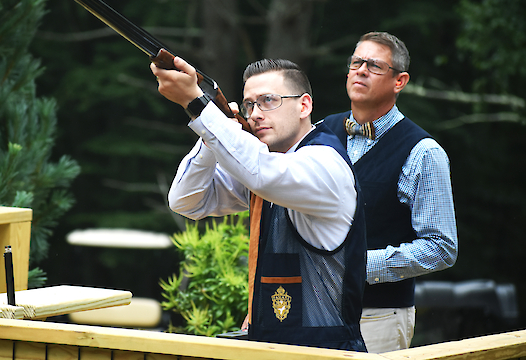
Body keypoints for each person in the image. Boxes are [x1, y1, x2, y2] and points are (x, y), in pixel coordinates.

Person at [151, 57, 367, 351]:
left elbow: (261, 172)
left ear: (304, 106)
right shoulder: (271, 167)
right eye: (249, 104)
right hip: (271, 349)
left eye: (268, 101)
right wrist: (212, 135)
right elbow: (187, 200)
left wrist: (197, 104)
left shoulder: (324, 163)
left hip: (325, 353)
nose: (254, 114)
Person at [322, 32, 458, 353]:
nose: (361, 70)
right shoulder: (322, 131)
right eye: (356, 62)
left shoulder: (424, 152)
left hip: (378, 317)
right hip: (315, 313)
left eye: (374, 66)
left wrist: (359, 266)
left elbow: (442, 247)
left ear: (400, 81)